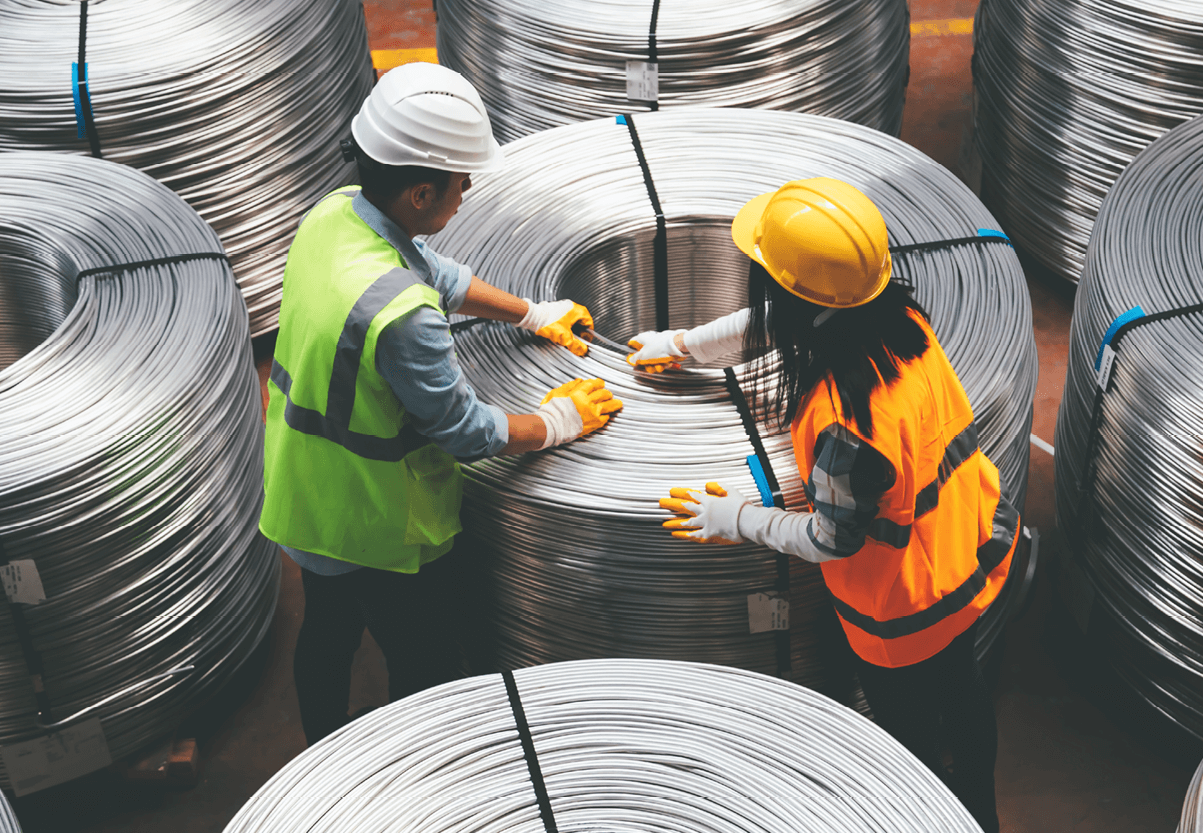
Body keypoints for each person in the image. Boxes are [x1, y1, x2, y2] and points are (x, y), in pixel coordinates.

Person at [260, 63, 621, 746]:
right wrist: (559, 419)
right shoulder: (402, 316)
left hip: (302, 489)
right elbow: (466, 431)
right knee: (421, 653)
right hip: (374, 522)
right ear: (421, 191)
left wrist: (531, 313)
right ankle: (417, 769)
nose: (468, 192)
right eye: (461, 182)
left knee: (329, 630)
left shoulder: (333, 214)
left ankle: (321, 749)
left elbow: (432, 268)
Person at [641, 178, 1017, 832]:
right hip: (969, 551)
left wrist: (738, 518)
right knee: (964, 693)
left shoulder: (846, 423)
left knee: (909, 739)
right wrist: (683, 346)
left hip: (903, 612)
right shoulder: (902, 322)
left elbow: (831, 537)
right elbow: (780, 321)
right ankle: (981, 811)